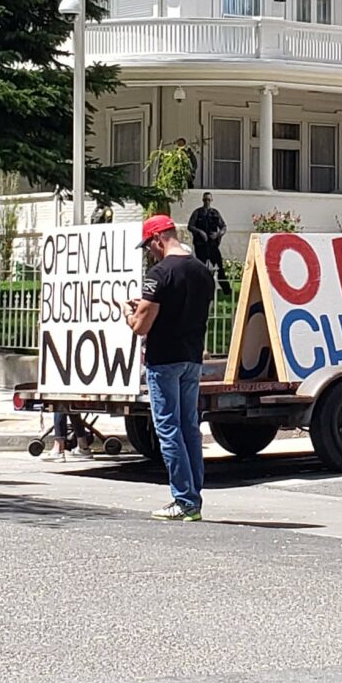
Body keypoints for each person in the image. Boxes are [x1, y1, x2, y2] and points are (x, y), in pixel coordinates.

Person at [127, 215, 213, 521]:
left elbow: (141, 325)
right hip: (192, 357)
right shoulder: (203, 272)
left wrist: (131, 313)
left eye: (149, 246)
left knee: (168, 428)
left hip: (164, 359)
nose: (150, 252)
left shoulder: (159, 273)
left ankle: (184, 498)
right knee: (190, 427)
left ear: (157, 239)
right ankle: (194, 497)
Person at [187, 193, 227, 289]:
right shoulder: (197, 212)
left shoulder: (215, 213)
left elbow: (224, 227)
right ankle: (199, 286)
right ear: (202, 200)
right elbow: (190, 226)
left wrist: (218, 234)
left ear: (211, 200)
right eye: (205, 200)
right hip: (201, 244)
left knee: (219, 266)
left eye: (209, 200)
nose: (207, 202)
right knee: (200, 267)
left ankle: (226, 289)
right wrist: (200, 232)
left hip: (213, 244)